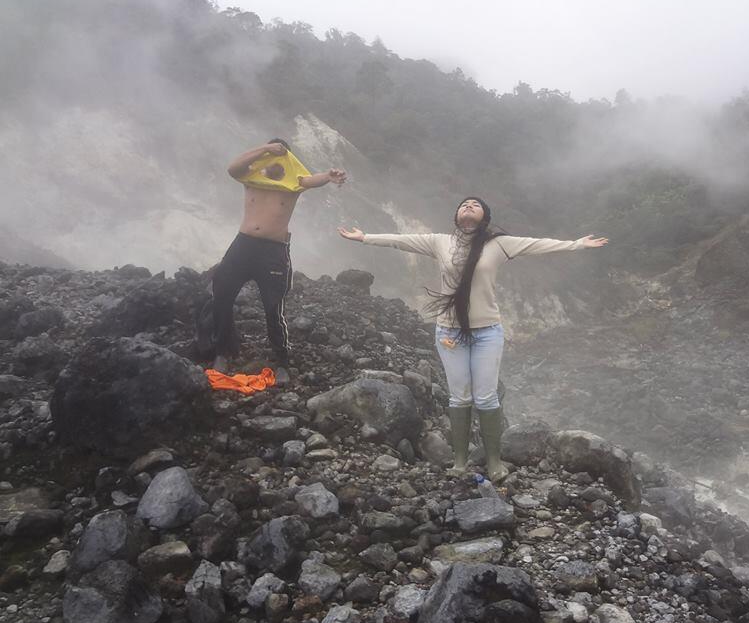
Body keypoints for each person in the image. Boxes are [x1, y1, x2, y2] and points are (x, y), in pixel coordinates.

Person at [338, 196, 608, 481]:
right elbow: (400, 240)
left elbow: (537, 244)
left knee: (487, 396)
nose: (468, 206)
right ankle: (459, 461)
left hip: (488, 331)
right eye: (464, 204)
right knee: (460, 397)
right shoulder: (439, 242)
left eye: (475, 205)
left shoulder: (499, 244)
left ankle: (494, 462)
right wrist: (364, 237)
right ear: (456, 215)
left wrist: (577, 244)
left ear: (485, 217)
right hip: (449, 331)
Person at [211, 139, 347, 383]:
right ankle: (223, 350)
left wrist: (329, 175)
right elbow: (232, 168)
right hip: (242, 245)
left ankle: (282, 360)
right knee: (221, 293)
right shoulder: (251, 176)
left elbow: (311, 180)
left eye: (280, 155)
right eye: (271, 154)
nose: (275, 158)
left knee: (273, 307)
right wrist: (264, 148)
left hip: (273, 251)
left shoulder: (293, 182)